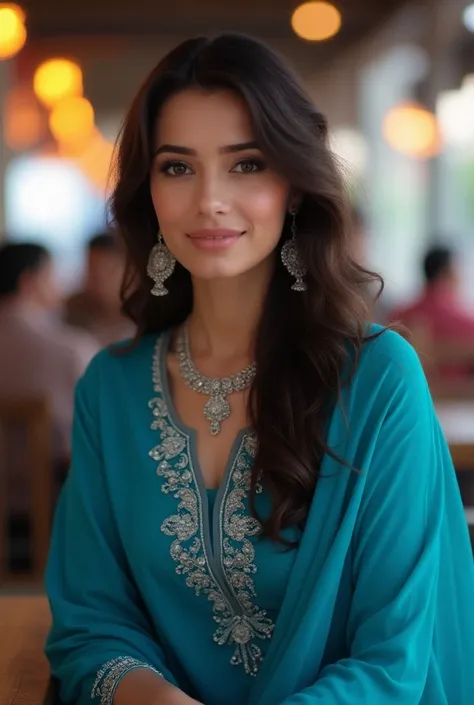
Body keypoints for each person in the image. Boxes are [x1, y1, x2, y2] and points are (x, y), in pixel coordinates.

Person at [45, 34, 474, 705]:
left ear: (296, 187)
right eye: (178, 167)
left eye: (246, 164)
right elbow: (90, 624)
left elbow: (394, 658)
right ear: (149, 191)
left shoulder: (379, 378)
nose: (210, 199)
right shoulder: (111, 388)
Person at [0, 241, 98, 464]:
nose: (58, 286)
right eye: (52, 276)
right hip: (58, 490)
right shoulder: (71, 350)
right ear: (29, 282)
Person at [390, 245, 474, 380]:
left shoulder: (396, 318)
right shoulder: (468, 324)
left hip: (407, 397)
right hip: (457, 398)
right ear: (449, 273)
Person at [65, 231, 135, 346]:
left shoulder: (143, 314)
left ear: (130, 271)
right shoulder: (74, 309)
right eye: (91, 270)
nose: (98, 279)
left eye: (108, 269)